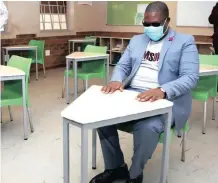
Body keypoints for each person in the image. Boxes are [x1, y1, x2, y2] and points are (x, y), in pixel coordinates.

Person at [90, 1, 199, 183]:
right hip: (132, 94)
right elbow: (123, 65)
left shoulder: (185, 42)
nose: (150, 28)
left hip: (164, 99)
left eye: (155, 24)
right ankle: (116, 167)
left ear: (167, 21)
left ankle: (134, 174)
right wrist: (116, 79)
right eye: (146, 24)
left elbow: (190, 77)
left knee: (147, 127)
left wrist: (162, 90)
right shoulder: (136, 40)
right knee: (101, 117)